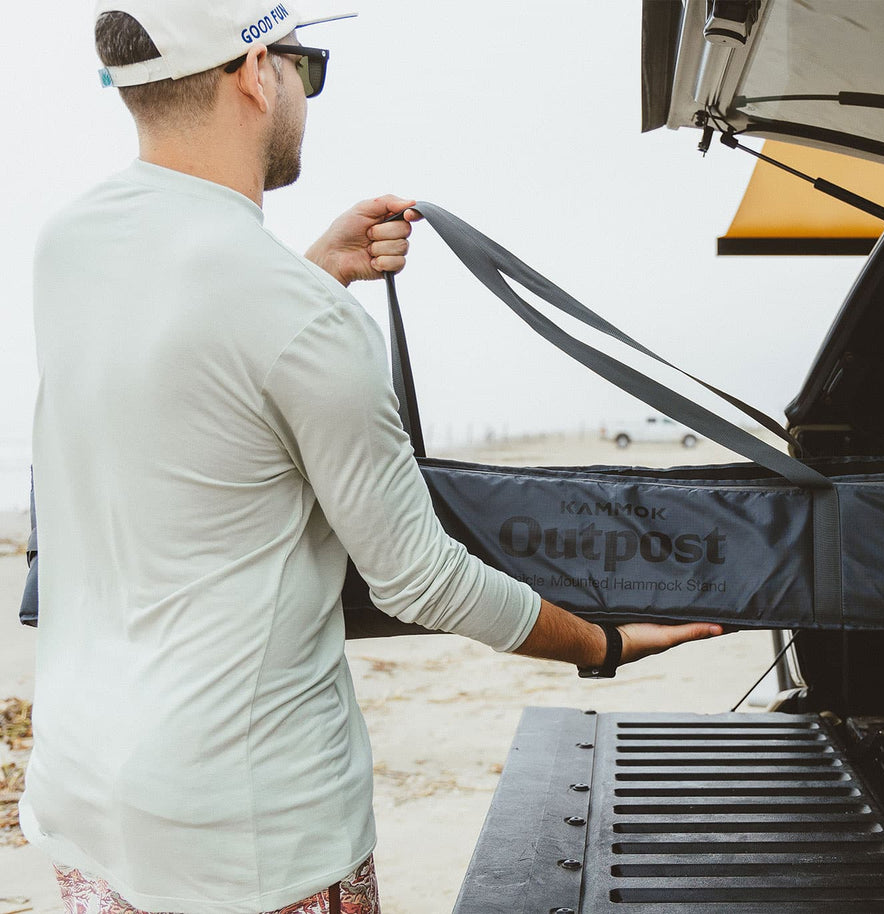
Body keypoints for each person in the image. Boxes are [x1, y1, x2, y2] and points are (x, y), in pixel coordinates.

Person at [20, 3, 721, 912]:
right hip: (252, 834)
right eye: (304, 65)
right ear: (254, 71)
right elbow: (420, 581)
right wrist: (604, 642)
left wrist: (311, 275)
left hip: (87, 796)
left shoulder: (66, 246)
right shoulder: (297, 319)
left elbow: (185, 400)